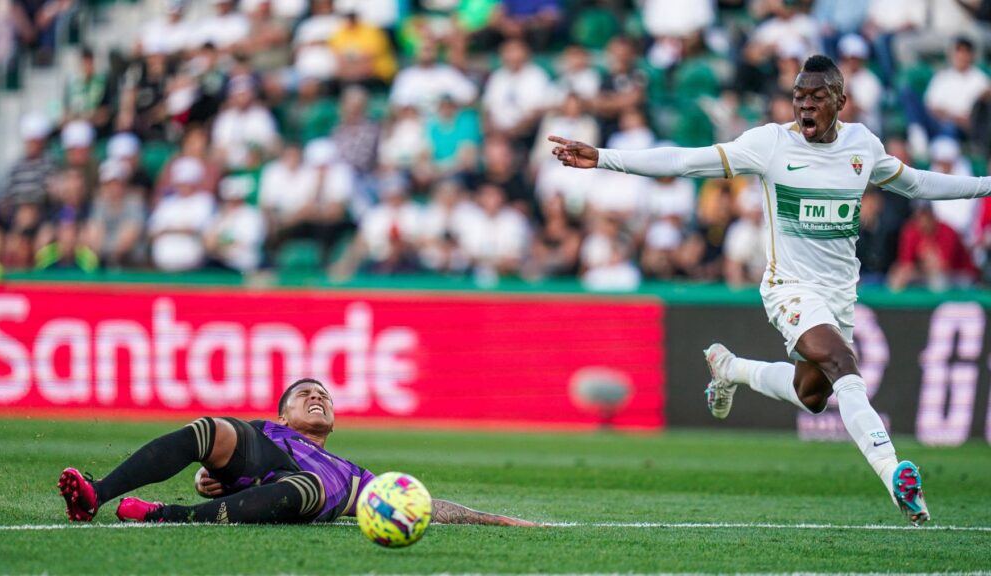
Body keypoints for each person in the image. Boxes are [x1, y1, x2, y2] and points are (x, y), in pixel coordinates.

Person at [548, 54, 991, 527]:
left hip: (839, 296)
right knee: (843, 363)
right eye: (799, 97)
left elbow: (917, 183)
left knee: (812, 394)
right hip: (789, 288)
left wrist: (986, 186)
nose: (805, 105)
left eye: (817, 97)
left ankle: (731, 368)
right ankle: (893, 472)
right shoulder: (771, 144)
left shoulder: (862, 146)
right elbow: (685, 160)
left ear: (840, 101)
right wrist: (604, 157)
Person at [58, 378, 536, 526]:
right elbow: (218, 463)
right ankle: (96, 494)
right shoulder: (265, 433)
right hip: (264, 467)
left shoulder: (352, 474)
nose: (318, 397)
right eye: (305, 394)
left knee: (307, 485)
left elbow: (423, 504)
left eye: (324, 396)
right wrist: (204, 476)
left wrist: (500, 520)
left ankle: (168, 515)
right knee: (209, 428)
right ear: (283, 415)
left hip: (300, 492)